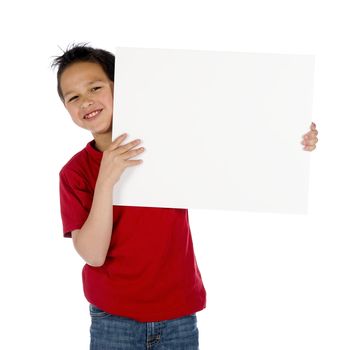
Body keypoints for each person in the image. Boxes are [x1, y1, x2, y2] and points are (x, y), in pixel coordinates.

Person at [52, 43, 319, 350]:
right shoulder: (74, 173)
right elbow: (93, 254)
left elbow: (237, 147)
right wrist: (106, 179)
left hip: (178, 313)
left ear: (121, 86)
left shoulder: (169, 143)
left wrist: (294, 139)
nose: (86, 102)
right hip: (113, 318)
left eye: (95, 87)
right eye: (74, 97)